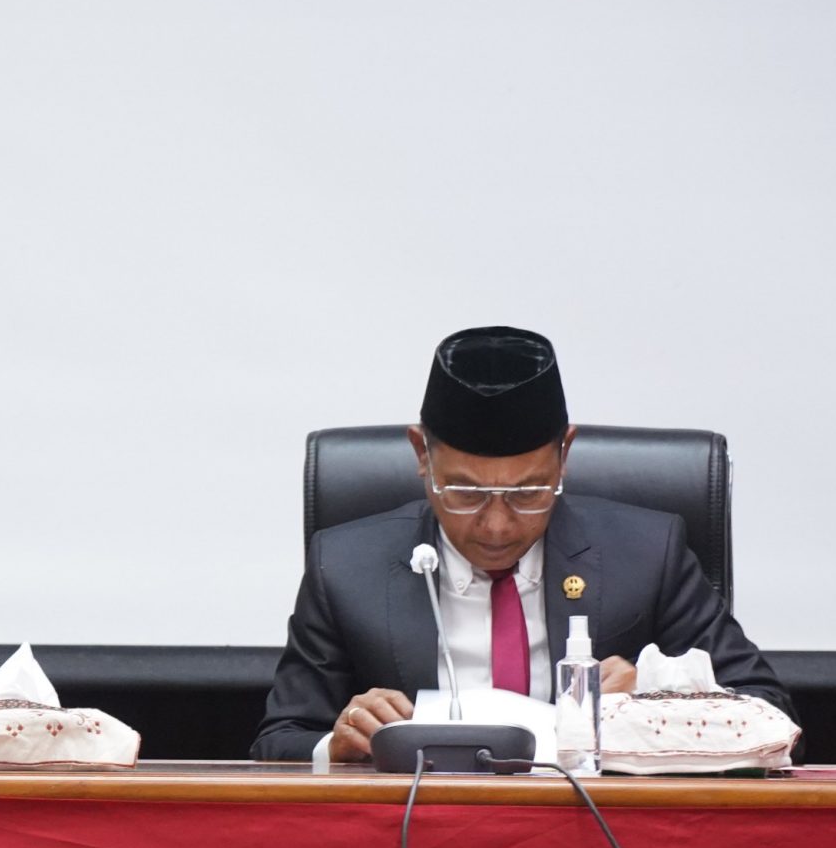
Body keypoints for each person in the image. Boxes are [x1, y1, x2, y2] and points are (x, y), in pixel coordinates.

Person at [254, 326, 791, 763]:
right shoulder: (344, 566)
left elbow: (772, 714)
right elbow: (279, 741)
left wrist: (653, 693)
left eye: (529, 492)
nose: (496, 525)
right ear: (421, 455)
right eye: (464, 492)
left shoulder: (650, 554)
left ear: (566, 454)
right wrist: (341, 744)